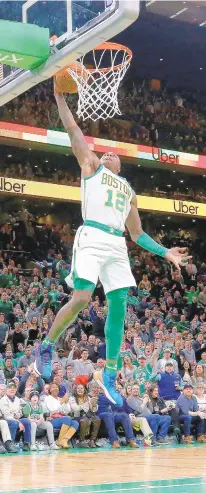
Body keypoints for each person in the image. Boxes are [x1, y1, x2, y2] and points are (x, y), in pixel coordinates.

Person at [34, 83, 190, 407]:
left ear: (121, 165)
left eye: (113, 154)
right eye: (104, 151)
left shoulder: (129, 190)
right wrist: (60, 96)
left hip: (117, 243)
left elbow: (137, 234)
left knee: (119, 306)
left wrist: (166, 252)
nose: (108, 153)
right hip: (91, 236)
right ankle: (47, 345)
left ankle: (110, 373)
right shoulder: (91, 166)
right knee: (81, 298)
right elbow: (72, 128)